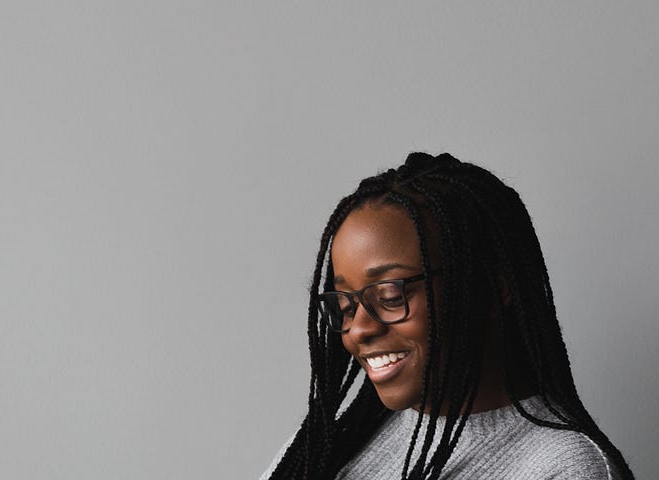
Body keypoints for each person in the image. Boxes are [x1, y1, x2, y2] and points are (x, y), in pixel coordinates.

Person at [258, 153, 634, 480]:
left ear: (488, 286)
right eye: (345, 304)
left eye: (390, 294)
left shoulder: (567, 469)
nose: (358, 329)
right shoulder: (329, 446)